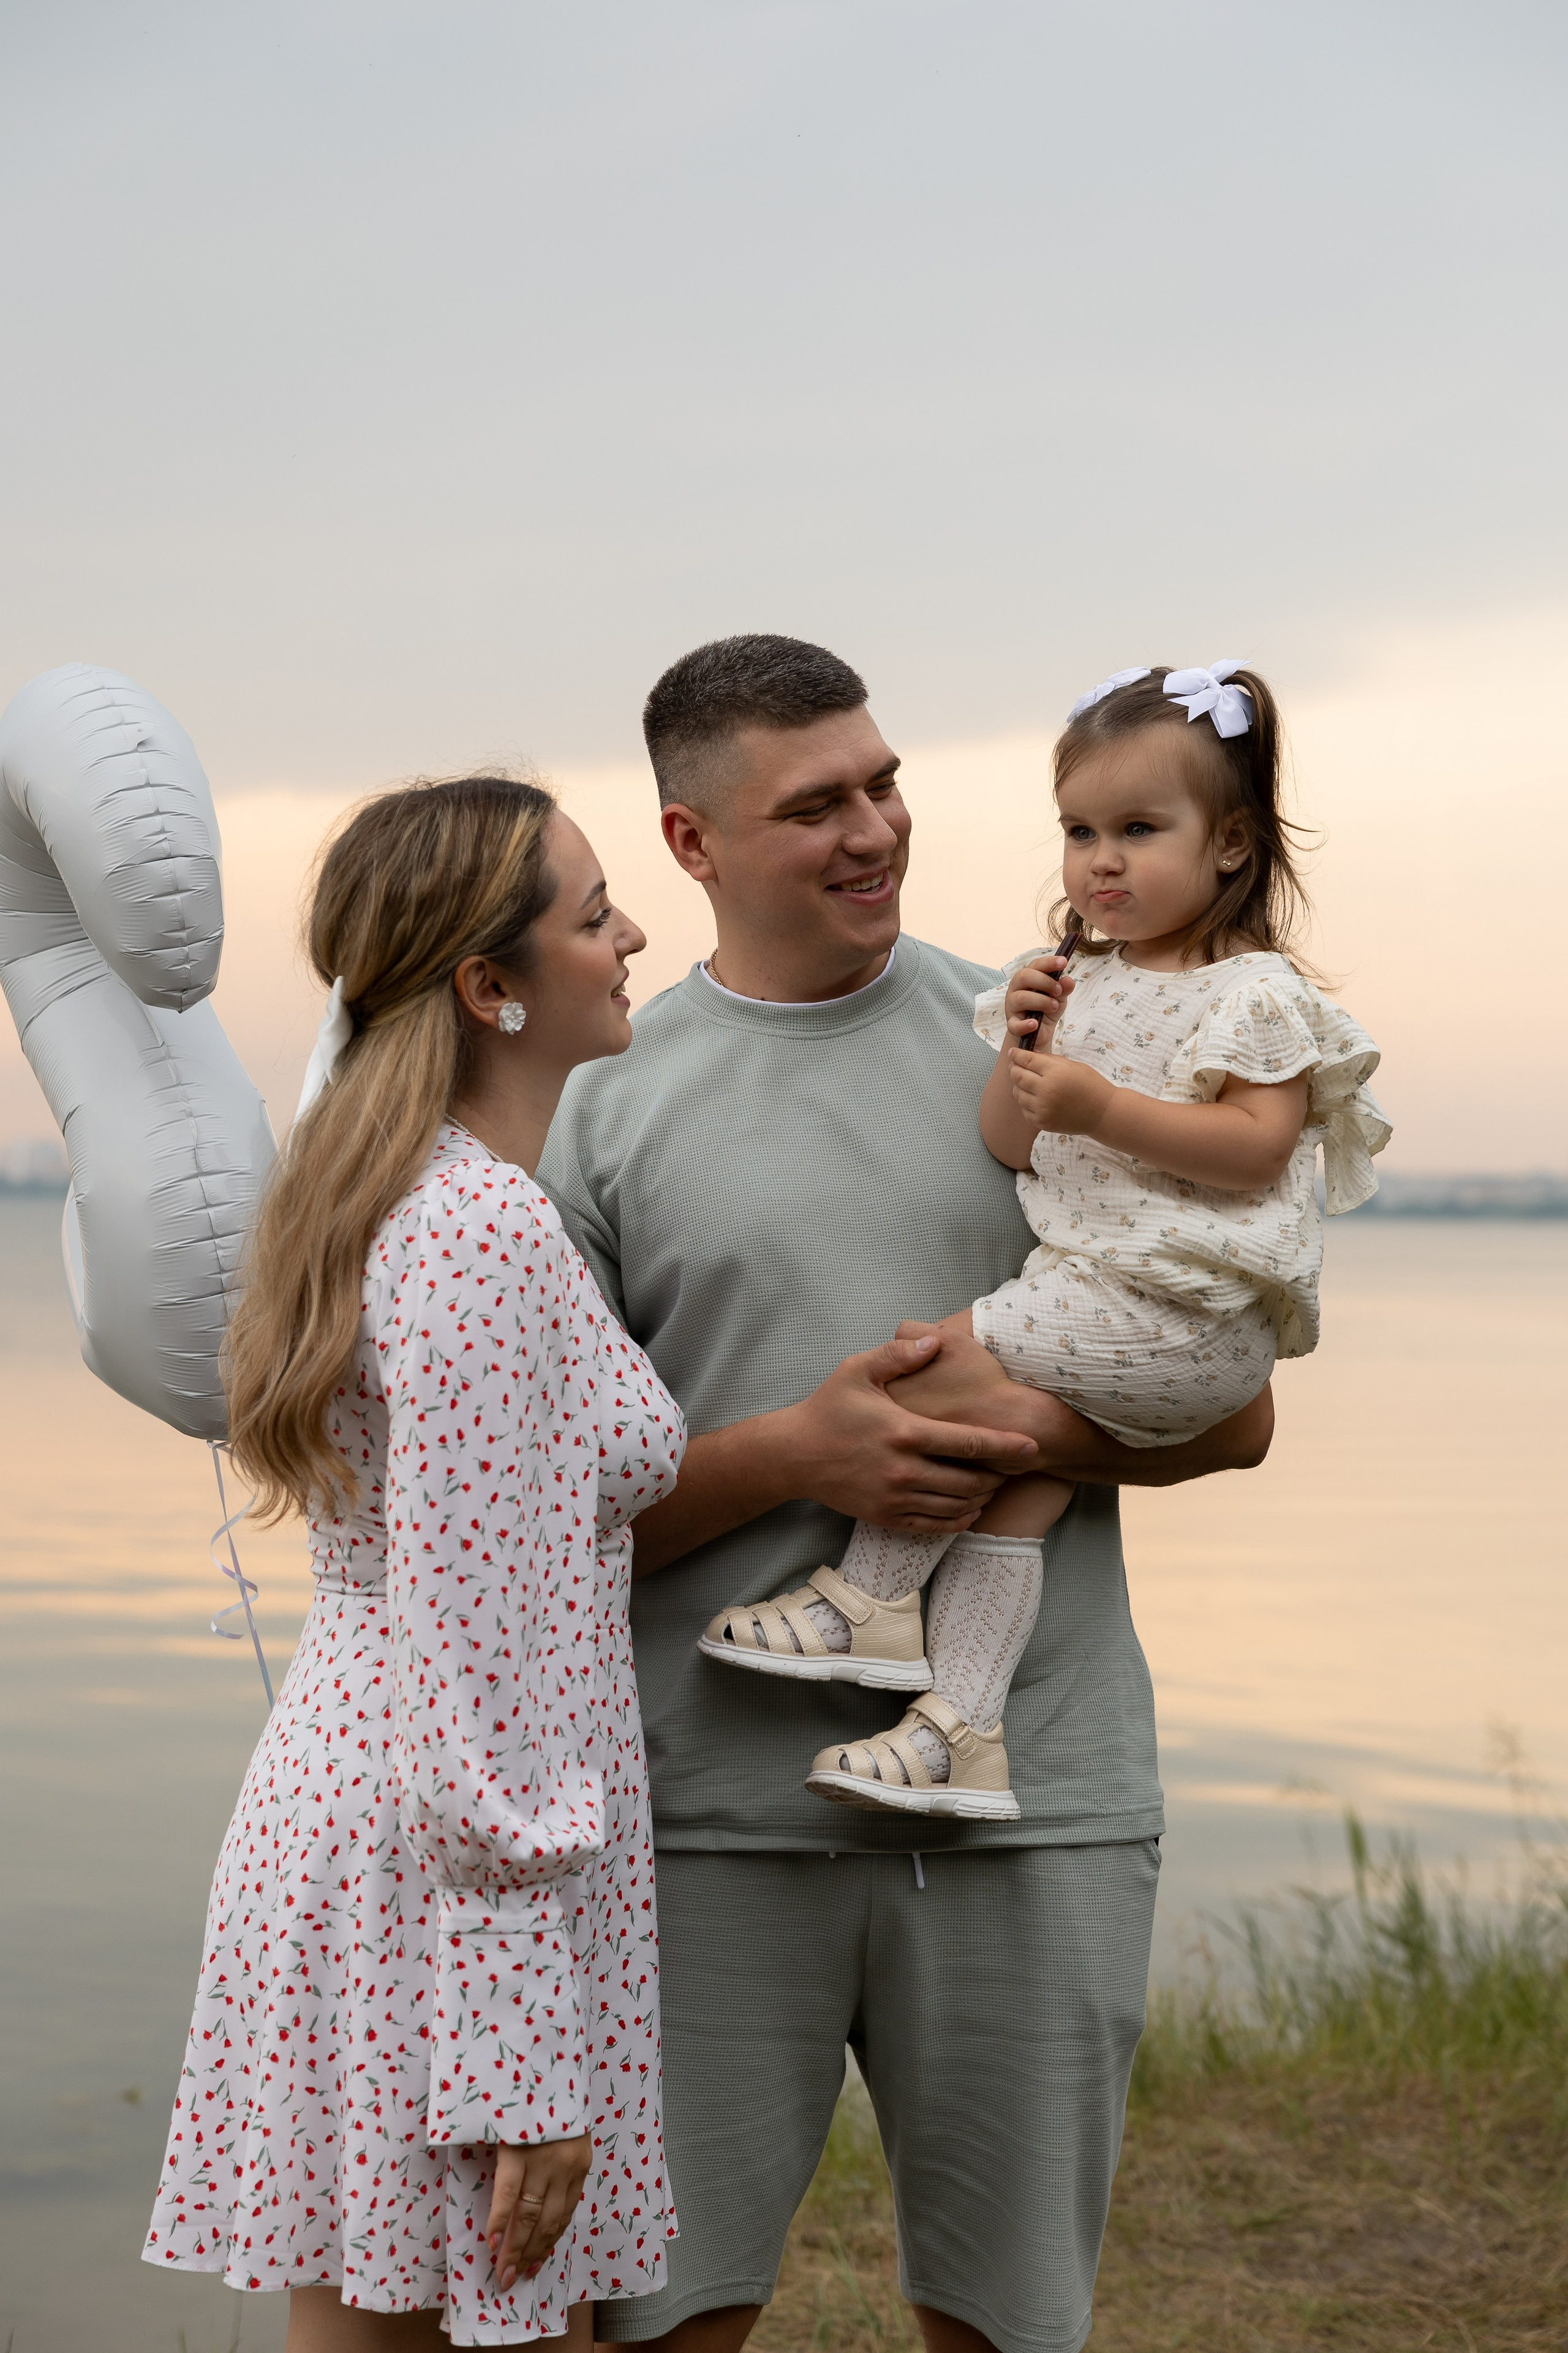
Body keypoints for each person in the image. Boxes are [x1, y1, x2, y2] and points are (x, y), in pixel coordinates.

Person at [536, 635, 1273, 2353]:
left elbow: (1233, 1416)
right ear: (691, 843)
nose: (875, 829)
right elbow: (539, 1525)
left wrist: (1009, 1442)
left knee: (1015, 2327)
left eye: (885, 783)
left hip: (1039, 1797)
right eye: (816, 806)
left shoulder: (1047, 1045)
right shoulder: (597, 1104)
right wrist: (802, 1457)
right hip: (698, 1818)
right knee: (657, 2328)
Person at [145, 776, 686, 2351]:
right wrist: (526, 2068)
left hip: (388, 1848)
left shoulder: (432, 1208)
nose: (630, 930)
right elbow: (480, 1659)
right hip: (434, 1885)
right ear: (486, 986)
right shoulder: (473, 1235)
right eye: (593, 915)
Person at [699, 659, 1389, 1820]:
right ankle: (960, 1731)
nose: (1101, 860)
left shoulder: (1254, 995)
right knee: (1020, 1498)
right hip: (1116, 1309)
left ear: (1228, 846)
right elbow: (1014, 1146)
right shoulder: (1073, 980)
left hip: (1182, 1316)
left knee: (932, 1365)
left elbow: (1260, 1147)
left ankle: (867, 1599)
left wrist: (1102, 1106)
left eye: (1138, 828)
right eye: (1079, 830)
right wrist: (1027, 1066)